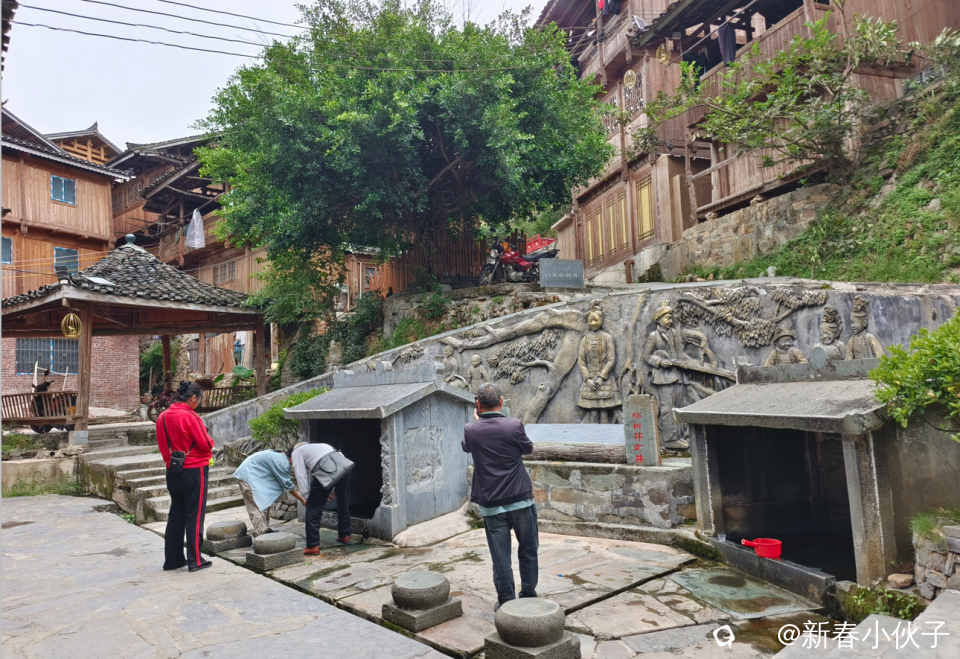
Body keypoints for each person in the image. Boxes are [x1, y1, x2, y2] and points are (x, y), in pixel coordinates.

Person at [462, 382, 538, 610]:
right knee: (528, 548)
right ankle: (528, 594)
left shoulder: (470, 429)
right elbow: (528, 449)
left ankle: (506, 601)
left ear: (478, 403)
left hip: (493, 504)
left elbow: (467, 447)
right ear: (501, 402)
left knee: (500, 556)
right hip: (521, 500)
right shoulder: (514, 426)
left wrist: (477, 423)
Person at [156, 380, 215, 572]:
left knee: (176, 514)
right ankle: (195, 560)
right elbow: (207, 444)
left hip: (172, 470)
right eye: (197, 400)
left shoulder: (162, 417)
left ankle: (173, 560)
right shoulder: (190, 417)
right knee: (195, 516)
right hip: (194, 469)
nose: (197, 404)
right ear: (192, 398)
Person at [290, 442, 353, 555]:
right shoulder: (322, 446)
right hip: (345, 467)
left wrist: (307, 497)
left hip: (325, 470)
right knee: (343, 501)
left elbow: (300, 475)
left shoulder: (297, 452)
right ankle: (345, 535)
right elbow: (337, 467)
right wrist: (330, 491)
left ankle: (313, 546)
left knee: (313, 507)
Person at [233, 448, 307, 538]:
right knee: (257, 506)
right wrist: (302, 499)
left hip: (255, 477)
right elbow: (288, 485)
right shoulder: (282, 462)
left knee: (265, 503)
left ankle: (265, 529)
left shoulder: (280, 458)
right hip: (248, 477)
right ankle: (261, 535)